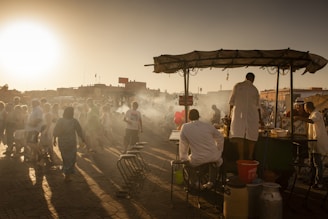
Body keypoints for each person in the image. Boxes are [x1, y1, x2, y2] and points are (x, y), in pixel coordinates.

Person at [179, 109, 224, 189]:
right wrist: (218, 150)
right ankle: (211, 182)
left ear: (189, 118)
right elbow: (220, 137)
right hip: (213, 156)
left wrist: (184, 158)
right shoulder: (208, 126)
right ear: (199, 116)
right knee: (214, 161)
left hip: (197, 159)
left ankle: (196, 183)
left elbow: (183, 146)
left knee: (186, 164)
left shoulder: (185, 127)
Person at [229, 72, 264, 160]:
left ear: (245, 77)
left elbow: (231, 102)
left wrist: (230, 115)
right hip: (252, 116)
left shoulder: (237, 86)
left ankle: (241, 158)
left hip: (238, 116)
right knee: (251, 137)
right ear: (253, 79)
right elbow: (258, 107)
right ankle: (250, 156)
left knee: (240, 137)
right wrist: (260, 119)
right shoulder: (254, 89)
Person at [294, 101, 328, 189]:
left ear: (308, 107)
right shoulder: (312, 114)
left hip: (318, 141)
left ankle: (319, 182)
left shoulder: (316, 114)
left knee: (317, 163)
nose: (304, 109)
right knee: (312, 162)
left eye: (305, 107)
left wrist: (299, 118)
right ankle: (312, 180)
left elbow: (311, 121)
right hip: (313, 142)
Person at [53, 106, 86, 182]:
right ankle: (68, 174)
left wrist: (54, 139)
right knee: (71, 157)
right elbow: (79, 131)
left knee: (65, 157)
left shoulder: (60, 120)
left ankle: (67, 174)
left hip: (62, 142)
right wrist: (83, 139)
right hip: (71, 142)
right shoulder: (74, 121)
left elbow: (56, 130)